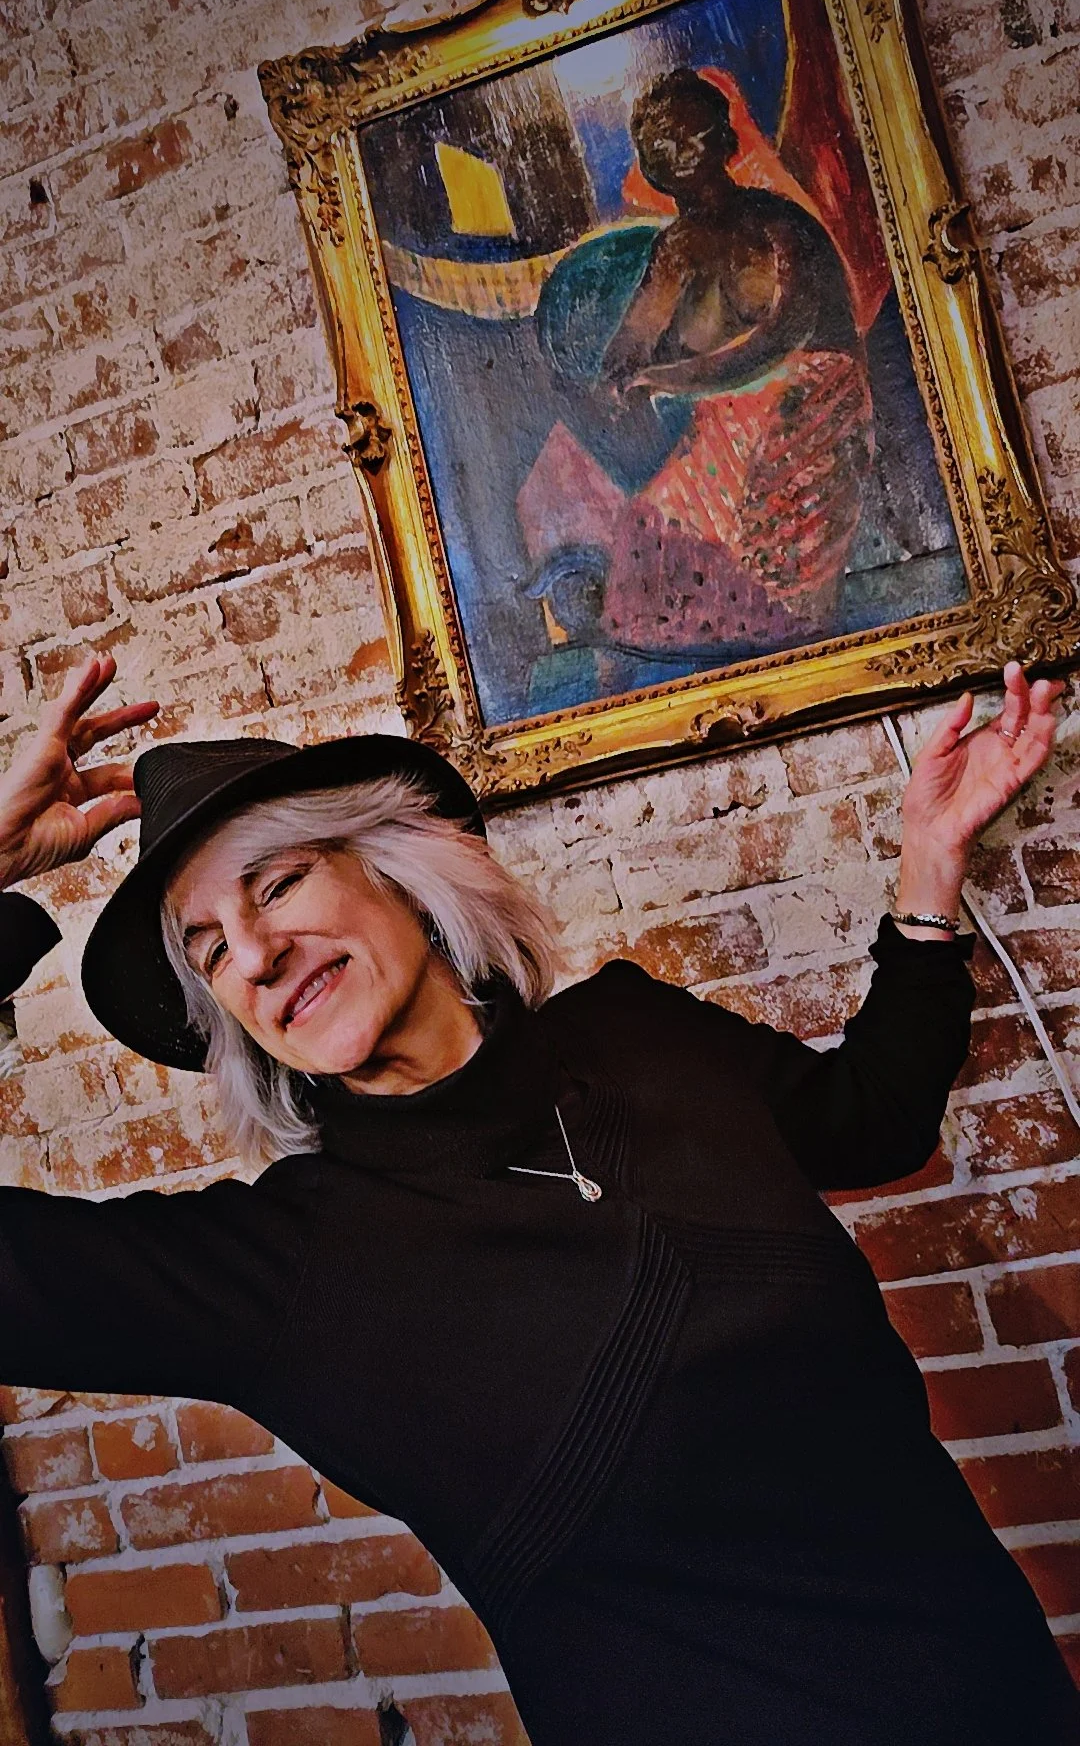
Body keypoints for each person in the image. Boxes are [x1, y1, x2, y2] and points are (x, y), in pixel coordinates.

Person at [0, 650, 1076, 1746]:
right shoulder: (284, 1269)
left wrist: (931, 867)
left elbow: (872, 1114)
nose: (259, 954)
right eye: (212, 951)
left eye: (276, 884)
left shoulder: (636, 1036)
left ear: (396, 869)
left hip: (1010, 1695)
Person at [598, 67, 875, 649]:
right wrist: (624, 375)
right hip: (729, 417)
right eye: (665, 146)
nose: (682, 155)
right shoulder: (673, 250)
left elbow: (781, 340)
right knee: (647, 520)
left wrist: (668, 377)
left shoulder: (779, 226)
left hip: (814, 403)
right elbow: (634, 340)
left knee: (756, 523)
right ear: (655, 166)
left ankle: (781, 646)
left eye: (691, 135)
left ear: (724, 141)